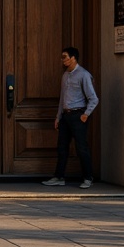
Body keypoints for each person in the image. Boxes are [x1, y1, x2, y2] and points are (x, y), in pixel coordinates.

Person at [43, 46, 98, 189]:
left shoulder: (84, 75)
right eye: (62, 57)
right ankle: (59, 177)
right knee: (62, 147)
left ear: (73, 58)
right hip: (65, 117)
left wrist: (85, 115)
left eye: (65, 57)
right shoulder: (65, 75)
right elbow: (62, 98)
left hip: (78, 115)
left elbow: (93, 99)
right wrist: (58, 116)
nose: (63, 60)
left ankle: (88, 178)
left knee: (81, 148)